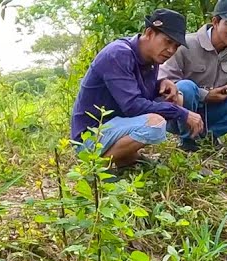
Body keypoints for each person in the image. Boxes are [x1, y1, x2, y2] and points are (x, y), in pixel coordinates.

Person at [70, 10, 205, 167]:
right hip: (90, 135)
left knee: (176, 98)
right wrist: (182, 114)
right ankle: (96, 167)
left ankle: (126, 157)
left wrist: (161, 83)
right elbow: (133, 106)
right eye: (167, 41)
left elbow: (136, 92)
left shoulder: (151, 59)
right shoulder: (118, 54)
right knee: (155, 124)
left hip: (115, 125)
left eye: (176, 46)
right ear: (149, 33)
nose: (171, 50)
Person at [158, 0, 227, 149]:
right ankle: (188, 141)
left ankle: (207, 136)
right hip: (179, 114)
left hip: (211, 111)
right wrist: (206, 95)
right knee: (186, 87)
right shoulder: (186, 44)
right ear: (215, 22)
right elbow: (166, 83)